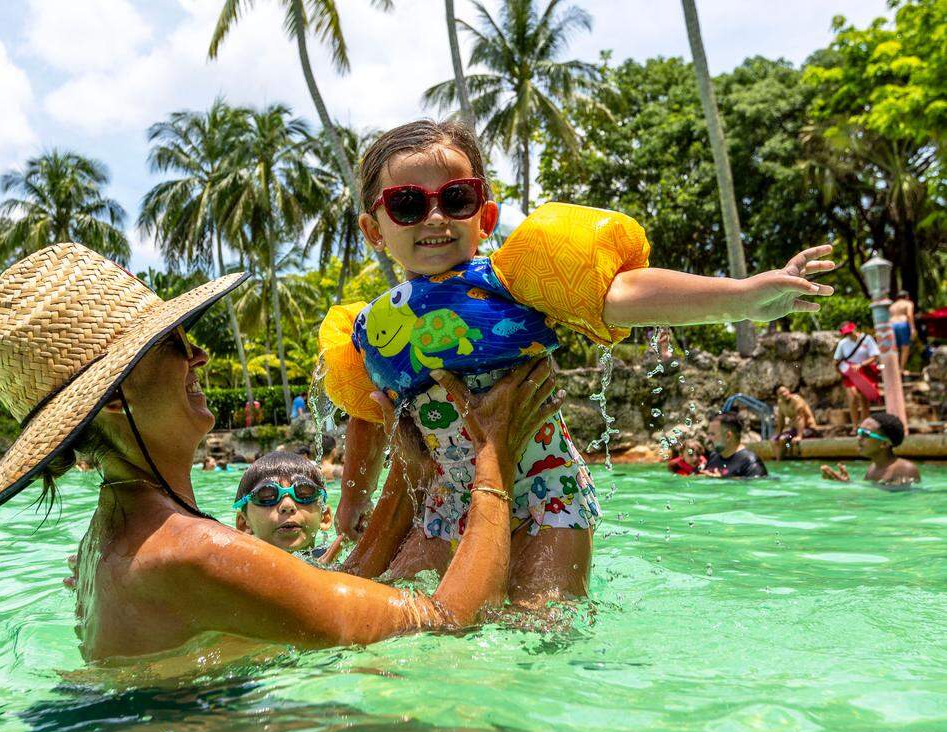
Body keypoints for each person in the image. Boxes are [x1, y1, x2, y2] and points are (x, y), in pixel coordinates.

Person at [0, 242, 560, 662]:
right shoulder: (193, 551)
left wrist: (412, 476)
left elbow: (333, 586)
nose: (198, 356)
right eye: (175, 344)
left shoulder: (118, 535)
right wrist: (492, 461)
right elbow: (446, 622)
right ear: (117, 400)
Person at [320, 119, 830, 600]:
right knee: (413, 627)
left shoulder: (511, 281)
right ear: (374, 229)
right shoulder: (367, 329)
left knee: (543, 628)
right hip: (444, 499)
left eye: (456, 199)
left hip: (546, 489)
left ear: (486, 218)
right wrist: (351, 501)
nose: (434, 217)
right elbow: (368, 414)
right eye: (408, 204)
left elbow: (620, 293)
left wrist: (740, 297)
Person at [233, 451, 331, 553]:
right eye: (267, 498)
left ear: (324, 517)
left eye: (304, 495)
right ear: (244, 524)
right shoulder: (234, 567)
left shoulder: (342, 566)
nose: (287, 505)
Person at [821, 412, 921, 486]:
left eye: (865, 434)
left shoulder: (904, 469)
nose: (858, 437)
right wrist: (846, 483)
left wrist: (851, 486)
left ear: (885, 443)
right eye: (859, 432)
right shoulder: (872, 469)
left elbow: (902, 499)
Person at [834, 321, 881, 428]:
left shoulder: (867, 339)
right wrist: (840, 369)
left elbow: (875, 356)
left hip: (866, 372)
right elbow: (836, 360)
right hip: (850, 374)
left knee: (864, 401)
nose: (849, 335)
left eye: (850, 332)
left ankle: (864, 426)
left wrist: (861, 364)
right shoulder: (843, 343)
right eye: (846, 333)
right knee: (853, 397)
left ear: (854, 329)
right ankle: (855, 426)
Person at [703, 412, 768, 478]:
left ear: (728, 436)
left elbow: (760, 485)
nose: (708, 438)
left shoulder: (750, 462)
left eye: (712, 434)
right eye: (708, 434)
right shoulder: (713, 457)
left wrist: (723, 480)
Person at [772, 385, 819, 459]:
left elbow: (800, 417)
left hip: (808, 430)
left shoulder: (796, 400)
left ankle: (789, 453)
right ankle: (779, 462)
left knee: (790, 440)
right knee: (782, 439)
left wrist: (799, 436)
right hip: (794, 431)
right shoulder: (781, 403)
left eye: (785, 391)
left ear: (788, 391)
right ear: (778, 396)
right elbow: (781, 420)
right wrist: (778, 434)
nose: (784, 394)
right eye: (780, 393)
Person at [889, 290, 916, 372]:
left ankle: (895, 368)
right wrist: (912, 328)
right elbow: (909, 315)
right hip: (902, 324)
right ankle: (901, 369)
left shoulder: (892, 306)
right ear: (907, 297)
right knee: (905, 347)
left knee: (895, 348)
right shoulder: (908, 303)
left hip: (892, 325)